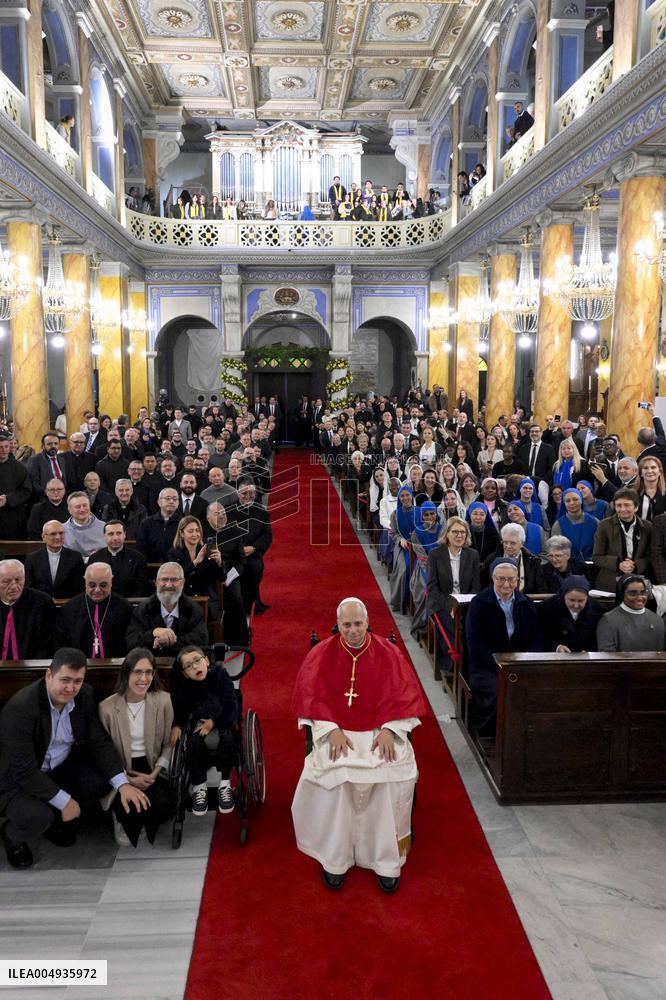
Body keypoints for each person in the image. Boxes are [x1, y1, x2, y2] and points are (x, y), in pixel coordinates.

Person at [291, 598, 427, 893]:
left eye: (358, 624)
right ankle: (336, 858)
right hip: (337, 732)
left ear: (367, 622)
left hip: (381, 731)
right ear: (338, 624)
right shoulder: (321, 654)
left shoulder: (388, 652)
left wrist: (391, 730)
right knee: (338, 777)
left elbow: (405, 697)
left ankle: (385, 859)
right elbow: (310, 699)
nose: (352, 631)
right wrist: (329, 730)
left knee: (389, 775)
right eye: (346, 625)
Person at [0, 647, 149, 868]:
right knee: (36, 816)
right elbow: (23, 770)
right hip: (17, 779)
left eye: (77, 681)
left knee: (99, 781)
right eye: (65, 679)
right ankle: (12, 836)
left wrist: (123, 784)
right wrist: (65, 801)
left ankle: (54, 822)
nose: (71, 688)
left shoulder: (85, 695)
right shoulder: (21, 708)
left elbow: (98, 740)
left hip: (59, 768)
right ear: (49, 675)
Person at [99, 648, 176, 846]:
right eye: (138, 672)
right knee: (131, 810)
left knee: (165, 804)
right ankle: (122, 818)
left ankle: (144, 819)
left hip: (152, 766)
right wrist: (125, 778)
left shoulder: (163, 700)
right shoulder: (107, 708)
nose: (144, 678)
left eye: (149, 672)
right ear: (126, 673)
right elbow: (104, 751)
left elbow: (168, 743)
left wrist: (156, 772)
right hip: (123, 767)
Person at [466, 558, 542, 736]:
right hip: (487, 666)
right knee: (497, 692)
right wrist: (499, 664)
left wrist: (525, 661)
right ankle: (489, 734)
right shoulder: (479, 603)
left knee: (538, 691)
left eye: (511, 579)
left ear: (517, 581)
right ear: (493, 579)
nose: (506, 584)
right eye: (501, 579)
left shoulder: (526, 603)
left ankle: (525, 734)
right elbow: (474, 643)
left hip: (520, 665)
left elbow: (536, 638)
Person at [170, 645, 238, 816]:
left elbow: (231, 705)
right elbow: (181, 709)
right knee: (192, 744)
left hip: (222, 720)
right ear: (185, 673)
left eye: (197, 661)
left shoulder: (220, 675)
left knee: (229, 740)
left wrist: (213, 722)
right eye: (188, 666)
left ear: (206, 661)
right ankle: (199, 787)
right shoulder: (186, 686)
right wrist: (177, 725)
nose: (194, 667)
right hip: (199, 726)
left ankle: (225, 784)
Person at [126, 562, 208, 657]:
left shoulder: (194, 610)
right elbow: (131, 642)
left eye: (174, 580)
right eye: (164, 579)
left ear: (183, 583)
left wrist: (167, 641)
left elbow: (201, 642)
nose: (168, 585)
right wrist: (153, 633)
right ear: (156, 582)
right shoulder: (142, 610)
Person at [592, 488, 651, 592]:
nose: (622, 509)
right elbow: (597, 557)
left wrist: (636, 565)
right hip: (610, 582)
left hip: (640, 581)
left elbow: (651, 556)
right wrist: (619, 564)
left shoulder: (647, 526)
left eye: (627, 505)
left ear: (636, 507)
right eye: (619, 505)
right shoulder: (604, 525)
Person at [0, 559, 56, 658]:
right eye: (6, 581)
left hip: (35, 668)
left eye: (18, 580)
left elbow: (50, 641)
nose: (14, 586)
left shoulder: (42, 602)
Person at [597, 575, 665, 652]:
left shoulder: (657, 619)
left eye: (643, 592)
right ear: (622, 594)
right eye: (633, 593)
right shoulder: (608, 620)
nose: (639, 598)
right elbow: (607, 656)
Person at [538, 576, 604, 652]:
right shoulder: (547, 607)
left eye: (581, 601)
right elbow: (540, 636)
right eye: (572, 600)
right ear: (564, 595)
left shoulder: (597, 609)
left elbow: (598, 637)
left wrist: (589, 650)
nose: (576, 605)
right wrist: (557, 647)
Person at [24, 520, 85, 599]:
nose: (58, 537)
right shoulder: (32, 558)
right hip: (40, 605)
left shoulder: (75, 557)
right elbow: (28, 587)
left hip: (67, 604)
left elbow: (79, 588)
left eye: (61, 533)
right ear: (43, 537)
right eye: (53, 534)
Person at [551, 487, 598, 561]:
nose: (572, 503)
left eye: (575, 499)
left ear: (581, 500)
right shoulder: (558, 525)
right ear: (564, 504)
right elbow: (557, 552)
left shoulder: (595, 522)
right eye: (568, 501)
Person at [0, 435, 32, 539]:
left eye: (6, 446)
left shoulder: (20, 468)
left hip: (13, 515)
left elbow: (27, 491)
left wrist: (8, 499)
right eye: (0, 447)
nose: (3, 450)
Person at [63, 492, 106, 560]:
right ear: (69, 510)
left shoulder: (104, 527)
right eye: (78, 506)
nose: (82, 509)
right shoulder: (62, 530)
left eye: (85, 505)